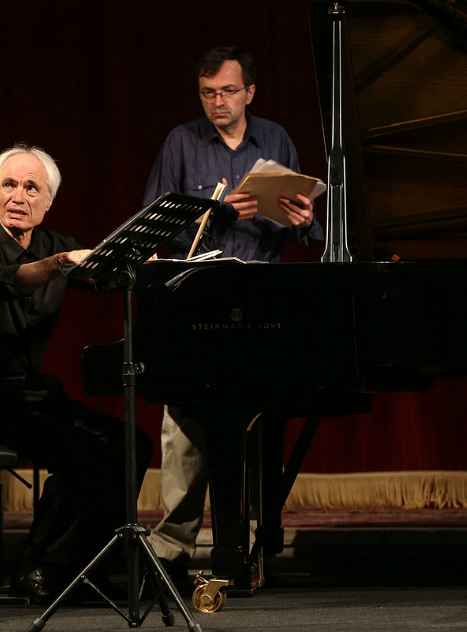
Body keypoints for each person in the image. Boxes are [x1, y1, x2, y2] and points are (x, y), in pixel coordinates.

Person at [0, 144, 154, 604]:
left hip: (29, 396)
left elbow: (105, 277)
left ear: (49, 201)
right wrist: (60, 265)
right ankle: (39, 567)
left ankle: (83, 565)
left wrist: (142, 267)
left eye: (31, 187)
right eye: (9, 185)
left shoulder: (56, 244)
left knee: (130, 443)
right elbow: (4, 281)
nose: (18, 196)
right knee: (83, 451)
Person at [141, 47, 324, 578]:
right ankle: (173, 545)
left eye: (227, 91)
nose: (217, 102)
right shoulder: (182, 142)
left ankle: (257, 537)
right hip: (197, 293)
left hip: (263, 298)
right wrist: (217, 216)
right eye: (207, 93)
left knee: (262, 416)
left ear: (249, 92)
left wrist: (304, 220)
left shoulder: (276, 139)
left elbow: (306, 229)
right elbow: (154, 222)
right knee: (184, 419)